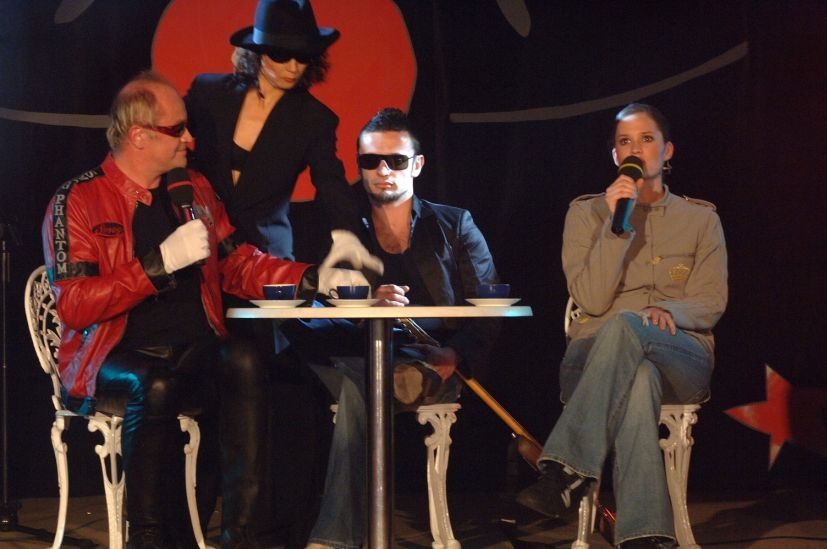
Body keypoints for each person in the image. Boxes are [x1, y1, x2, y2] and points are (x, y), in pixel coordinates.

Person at [41, 70, 373, 549]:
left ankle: (243, 535)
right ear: (139, 135)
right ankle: (148, 537)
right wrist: (157, 266)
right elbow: (75, 306)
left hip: (191, 346)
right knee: (154, 384)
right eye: (177, 130)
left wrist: (314, 278)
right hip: (110, 355)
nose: (190, 139)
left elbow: (239, 264)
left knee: (245, 359)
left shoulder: (193, 190)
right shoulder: (79, 198)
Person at [287, 107, 502, 549]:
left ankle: (334, 540)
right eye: (371, 161)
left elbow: (489, 304)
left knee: (359, 388)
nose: (383, 171)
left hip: (427, 358)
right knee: (352, 378)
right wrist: (363, 303)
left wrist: (457, 353)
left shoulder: (454, 223)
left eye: (396, 160)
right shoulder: (338, 226)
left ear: (417, 165)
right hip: (348, 353)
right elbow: (310, 299)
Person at [515, 103, 728, 549]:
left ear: (667, 151)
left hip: (678, 352)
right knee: (638, 378)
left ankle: (565, 471)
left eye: (647, 139)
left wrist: (671, 312)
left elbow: (711, 302)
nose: (636, 149)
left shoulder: (700, 218)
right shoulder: (586, 214)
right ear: (615, 157)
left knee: (631, 330)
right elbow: (592, 300)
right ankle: (644, 537)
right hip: (594, 358)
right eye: (625, 142)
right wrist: (616, 226)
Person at [185, 0, 360, 262]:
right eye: (281, 55)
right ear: (259, 52)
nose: (293, 67)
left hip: (266, 256)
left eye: (302, 56)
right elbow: (166, 139)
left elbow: (331, 184)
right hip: (202, 249)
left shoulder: (315, 119)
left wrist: (346, 234)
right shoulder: (209, 92)